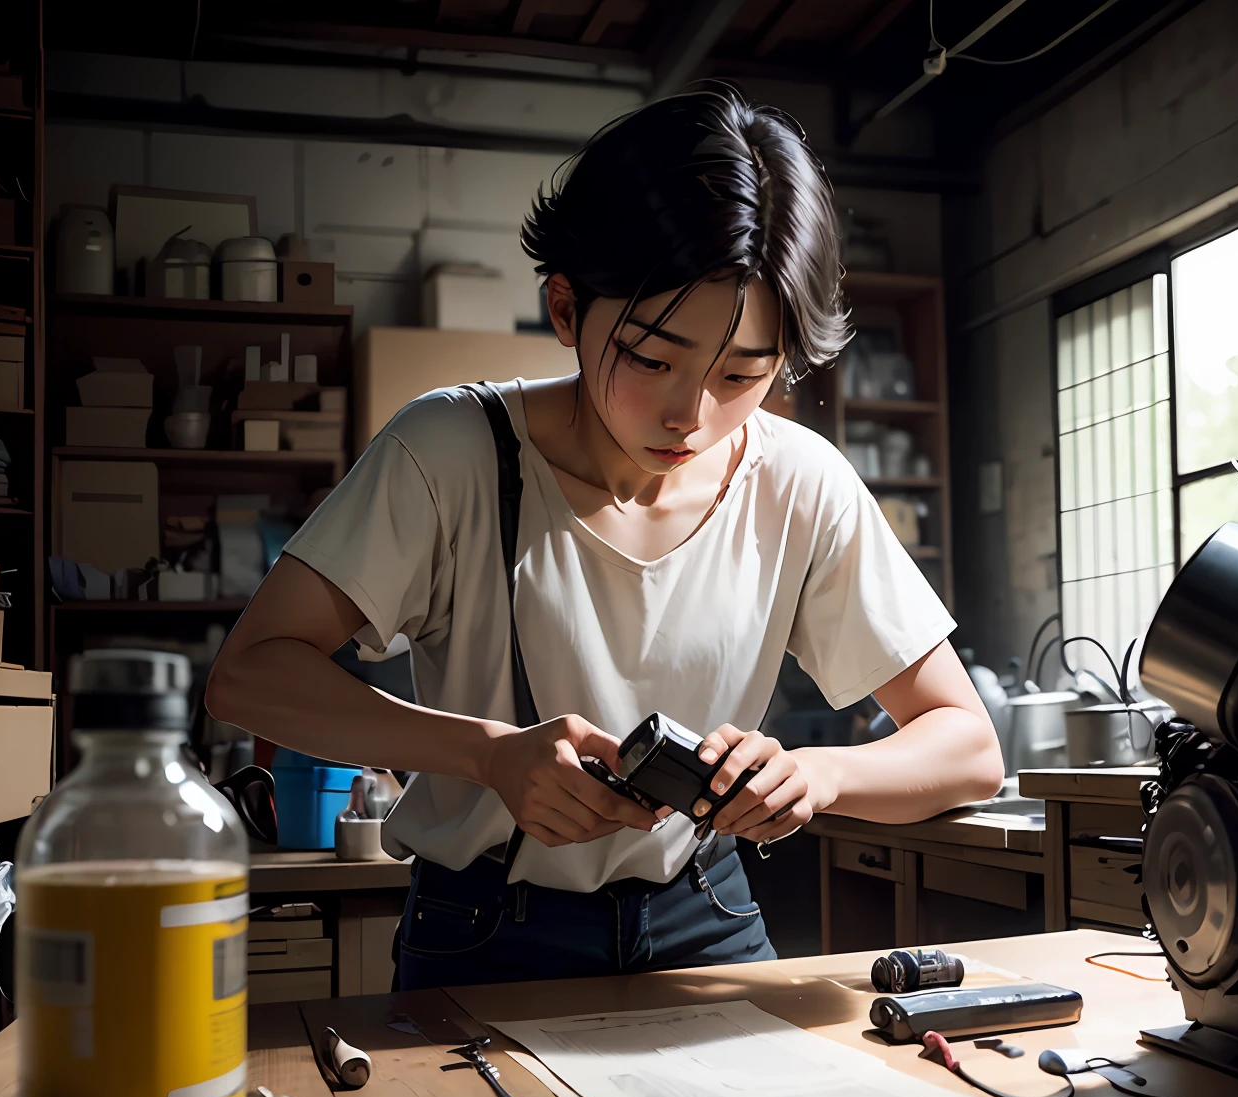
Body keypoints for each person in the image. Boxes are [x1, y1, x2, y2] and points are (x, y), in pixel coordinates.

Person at [205, 85, 1004, 989]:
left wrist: (815, 775)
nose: (691, 416)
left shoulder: (798, 479)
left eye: (743, 372)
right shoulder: (452, 452)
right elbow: (250, 673)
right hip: (486, 931)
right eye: (654, 360)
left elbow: (968, 745)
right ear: (563, 309)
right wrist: (486, 755)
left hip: (711, 915)